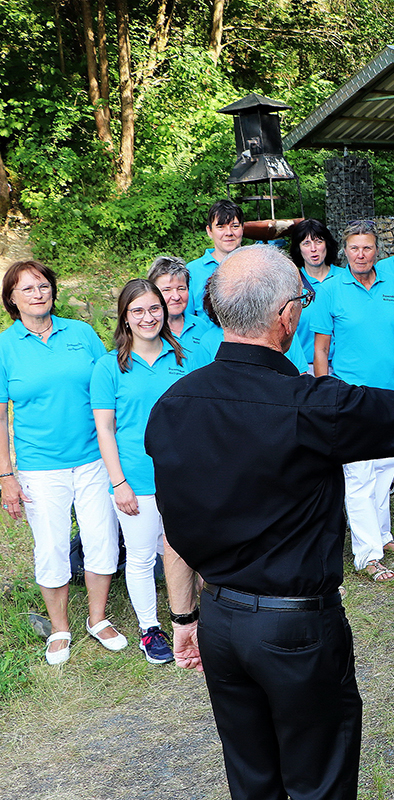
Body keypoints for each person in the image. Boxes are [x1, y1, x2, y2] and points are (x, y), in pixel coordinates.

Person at [144, 243, 394, 800]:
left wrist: (184, 616)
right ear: (286, 317)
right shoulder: (310, 405)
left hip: (219, 624)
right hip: (295, 631)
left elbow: (175, 529)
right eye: (302, 302)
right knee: (319, 785)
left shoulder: (174, 405)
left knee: (252, 781)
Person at [0, 260, 121, 665]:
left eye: (43, 286)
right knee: (51, 548)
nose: (38, 293)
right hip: (39, 466)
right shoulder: (5, 346)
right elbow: (0, 416)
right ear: (12, 300)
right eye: (27, 289)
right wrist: (6, 475)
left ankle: (98, 619)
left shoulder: (82, 333)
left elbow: (108, 389)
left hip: (93, 459)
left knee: (101, 538)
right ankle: (60, 627)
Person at [90, 279, 204, 665]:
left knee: (193, 549)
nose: (148, 317)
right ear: (124, 316)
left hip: (185, 477)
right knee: (141, 557)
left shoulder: (189, 357)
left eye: (154, 308)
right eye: (137, 310)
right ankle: (150, 630)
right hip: (136, 479)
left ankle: (198, 619)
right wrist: (118, 482)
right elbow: (105, 429)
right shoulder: (109, 367)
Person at [313, 220, 394, 583]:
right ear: (345, 250)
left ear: (378, 250)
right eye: (354, 248)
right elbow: (321, 349)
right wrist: (323, 394)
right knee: (358, 476)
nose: (360, 254)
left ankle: (383, 535)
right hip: (348, 397)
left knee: (385, 471)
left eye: (367, 248)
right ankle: (367, 555)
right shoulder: (331, 291)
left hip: (389, 393)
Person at [288, 219, 344, 373]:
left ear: (327, 244)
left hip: (346, 369)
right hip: (305, 369)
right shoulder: (292, 284)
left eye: (318, 242)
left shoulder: (346, 278)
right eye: (306, 243)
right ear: (298, 248)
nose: (313, 249)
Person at [148, 256, 223, 361]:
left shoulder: (201, 326)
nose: (176, 296)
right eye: (167, 290)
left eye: (181, 288)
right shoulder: (147, 329)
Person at [186, 199, 244, 319]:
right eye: (221, 227)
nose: (229, 233)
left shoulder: (256, 266)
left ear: (243, 229)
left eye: (235, 226)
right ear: (209, 231)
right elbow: (186, 319)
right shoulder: (192, 271)